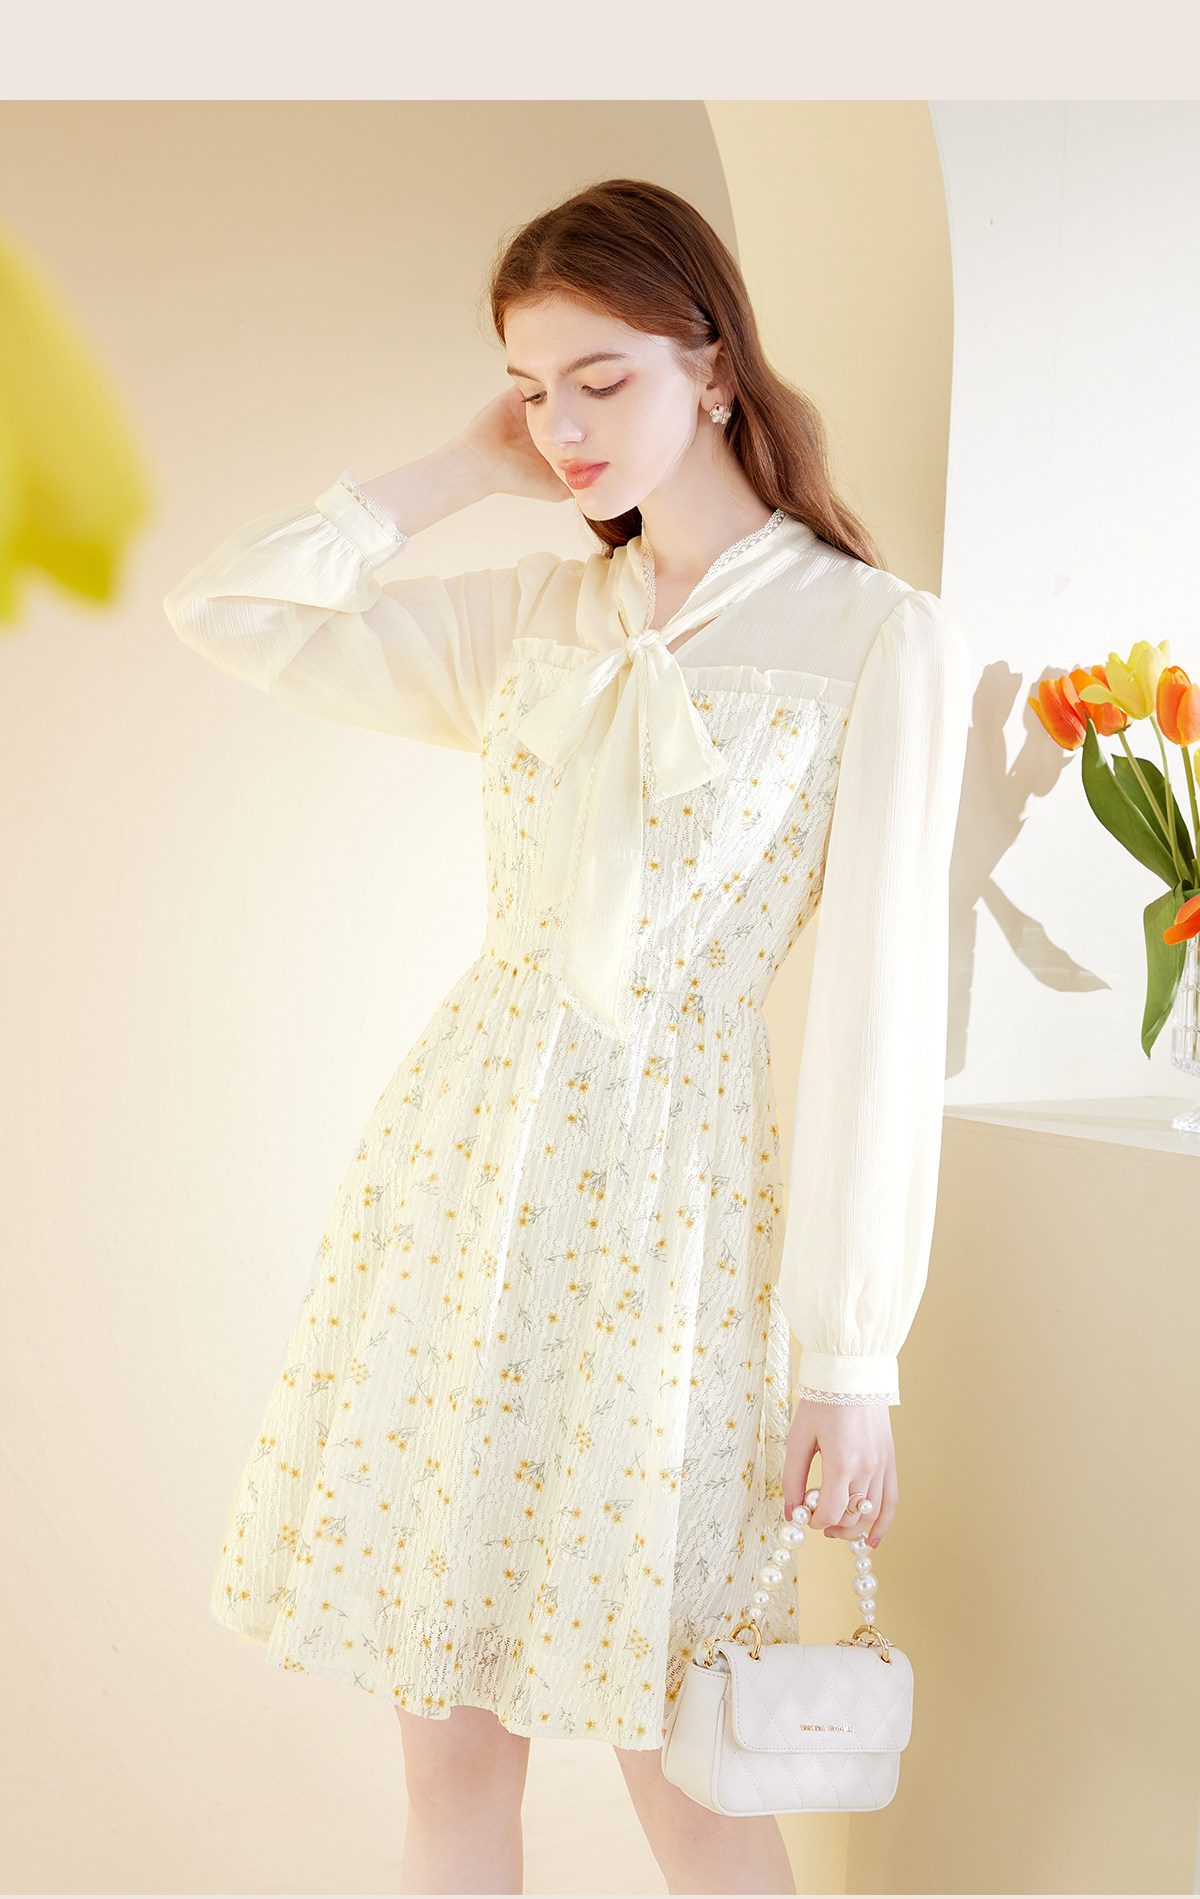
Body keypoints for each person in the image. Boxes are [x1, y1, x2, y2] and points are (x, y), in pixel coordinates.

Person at [163, 177, 971, 1897]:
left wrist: (850, 1358)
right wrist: (454, 473)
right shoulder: (533, 620)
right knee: (451, 1755)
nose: (566, 428)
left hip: (676, 1230)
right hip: (462, 1194)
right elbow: (229, 613)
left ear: (717, 368)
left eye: (602, 380)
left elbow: (884, 1021)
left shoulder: (873, 638)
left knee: (695, 1779)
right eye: (533, 391)